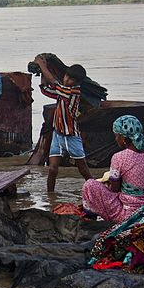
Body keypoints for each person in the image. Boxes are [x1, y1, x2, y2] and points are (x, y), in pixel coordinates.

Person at [81, 115, 144, 223]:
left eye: (117, 136)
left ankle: (92, 216)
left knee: (89, 185)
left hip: (131, 211)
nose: (116, 139)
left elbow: (114, 190)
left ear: (124, 139)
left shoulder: (119, 157)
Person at [33, 54, 92, 192]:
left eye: (70, 79)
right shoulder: (64, 91)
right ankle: (50, 195)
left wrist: (43, 65)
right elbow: (46, 88)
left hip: (71, 136)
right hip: (58, 135)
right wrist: (41, 72)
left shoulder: (73, 92)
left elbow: (54, 83)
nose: (66, 79)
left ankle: (95, 188)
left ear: (77, 82)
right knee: (52, 169)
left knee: (82, 167)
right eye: (66, 76)